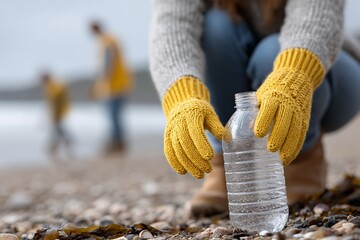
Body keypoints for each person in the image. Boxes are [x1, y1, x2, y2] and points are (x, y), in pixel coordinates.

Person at [149, 0, 360, 218]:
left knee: (270, 52)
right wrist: (183, 96)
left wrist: (294, 75)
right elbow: (171, 24)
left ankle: (302, 160)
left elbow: (317, 12)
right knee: (215, 27)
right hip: (242, 73)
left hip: (330, 72)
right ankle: (228, 166)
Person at [90, 21, 133, 154]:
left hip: (115, 86)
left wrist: (102, 82)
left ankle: (117, 143)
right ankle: (119, 143)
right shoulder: (110, 40)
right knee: (116, 116)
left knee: (113, 115)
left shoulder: (107, 41)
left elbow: (108, 65)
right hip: (120, 84)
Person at [41, 72, 71, 158]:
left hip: (57, 112)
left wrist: (54, 112)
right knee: (58, 129)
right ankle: (57, 145)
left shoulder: (53, 86)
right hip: (58, 111)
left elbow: (55, 100)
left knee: (57, 129)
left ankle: (54, 146)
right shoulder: (52, 85)